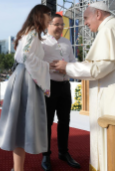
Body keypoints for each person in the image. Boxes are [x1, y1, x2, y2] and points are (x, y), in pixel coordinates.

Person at [53, 2, 115, 171]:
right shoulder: (114, 26)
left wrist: (67, 67)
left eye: (86, 18)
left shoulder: (110, 28)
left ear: (98, 14)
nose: (84, 23)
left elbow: (99, 68)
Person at [0, 4, 52, 171]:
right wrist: (47, 66)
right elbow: (25, 56)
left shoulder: (29, 32)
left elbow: (23, 56)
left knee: (20, 125)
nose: (50, 18)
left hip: (23, 77)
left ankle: (18, 169)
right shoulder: (32, 33)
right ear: (40, 16)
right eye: (48, 15)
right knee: (22, 124)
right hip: (27, 79)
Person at [41, 13, 80, 170]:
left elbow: (73, 61)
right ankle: (45, 155)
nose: (60, 27)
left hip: (65, 86)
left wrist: (70, 67)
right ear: (48, 25)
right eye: (56, 24)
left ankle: (63, 152)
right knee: (47, 122)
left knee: (65, 121)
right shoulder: (41, 42)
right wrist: (48, 65)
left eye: (61, 24)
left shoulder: (67, 42)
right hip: (48, 85)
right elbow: (34, 62)